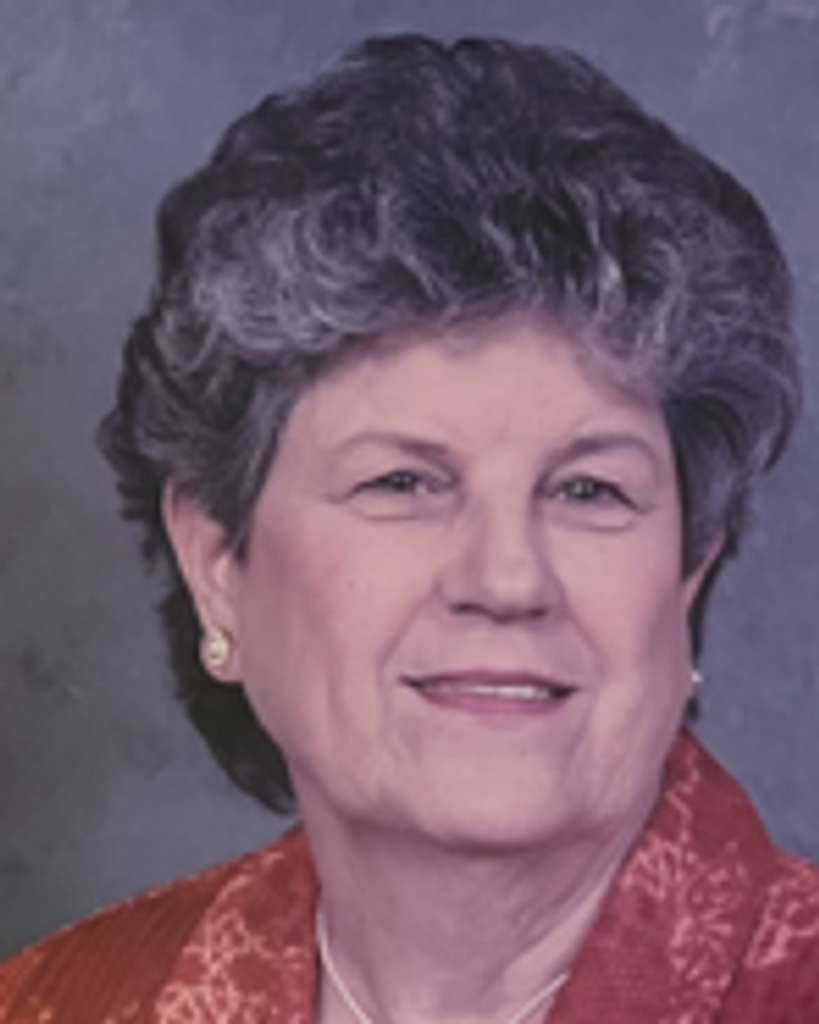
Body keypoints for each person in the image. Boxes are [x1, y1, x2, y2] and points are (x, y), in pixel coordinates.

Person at [1, 32, 817, 1023]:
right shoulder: (54, 1003)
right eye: (402, 483)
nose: (507, 577)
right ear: (216, 562)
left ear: (686, 571)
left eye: (589, 491)